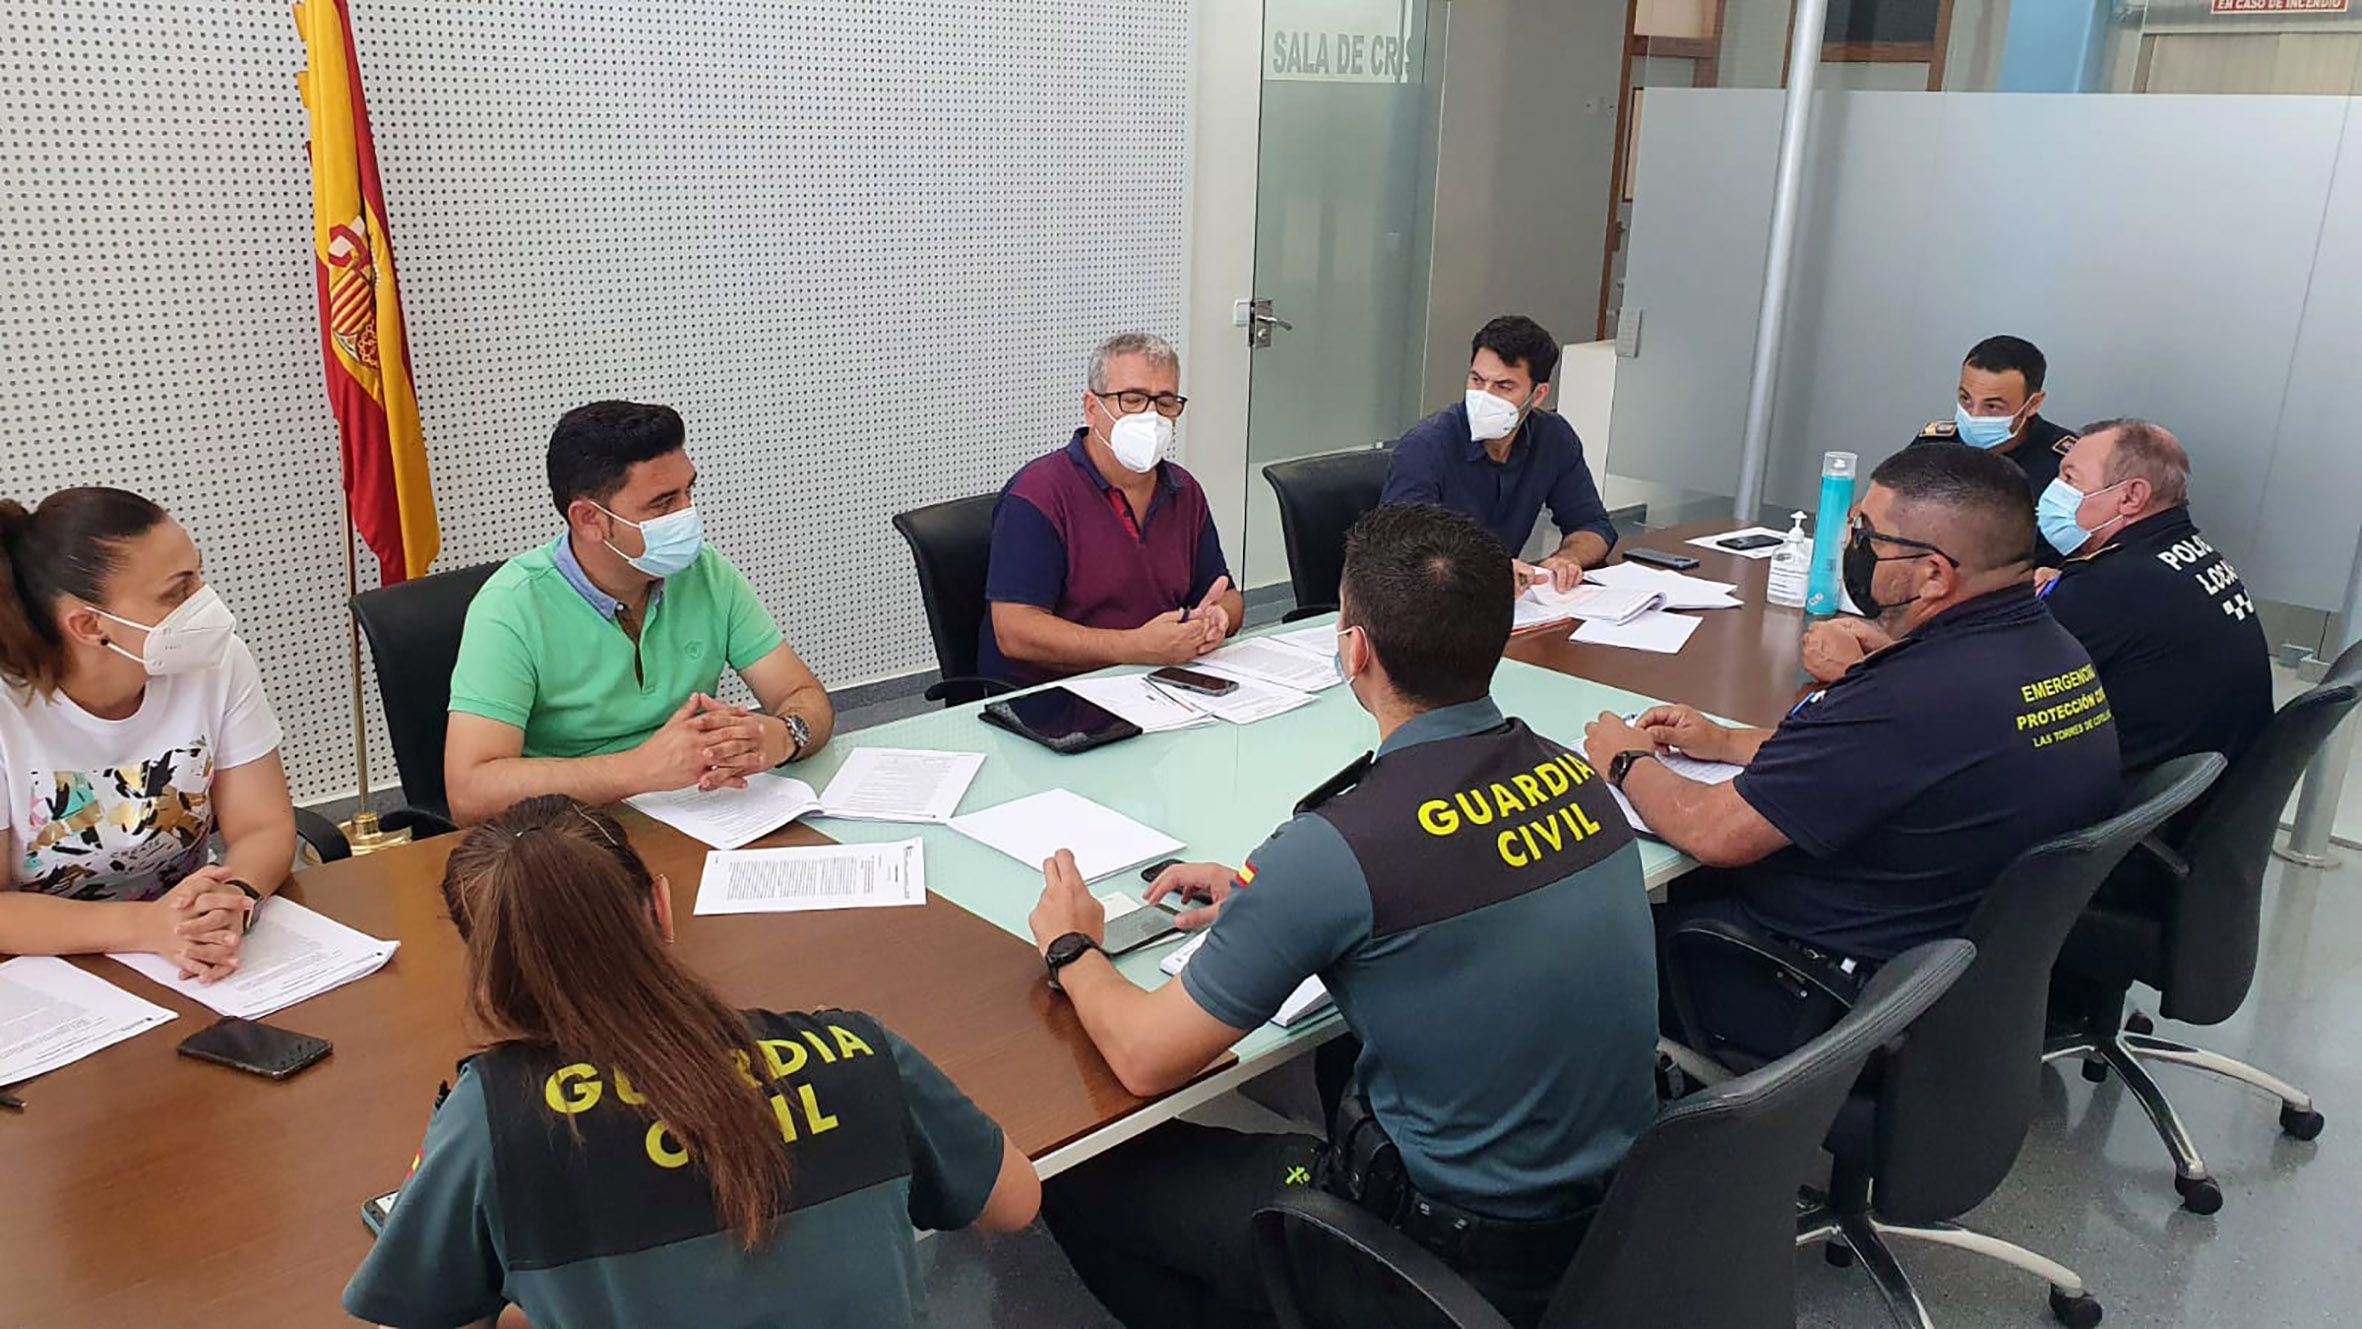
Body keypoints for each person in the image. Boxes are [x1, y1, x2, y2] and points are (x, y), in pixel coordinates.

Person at [1026, 504, 1658, 1329]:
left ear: (1353, 648)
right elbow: (1445, 873)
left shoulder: (1336, 848)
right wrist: (1267, 897)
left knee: (1082, 1171)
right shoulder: (1577, 778)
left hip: (1438, 1258)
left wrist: (1072, 945)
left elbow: (1146, 1057)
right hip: (1617, 1221)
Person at [342, 795, 1039, 1329]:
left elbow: (407, 1312)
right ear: (662, 908)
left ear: (488, 970)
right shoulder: (853, 1047)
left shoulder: (494, 1123)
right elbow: (1014, 1199)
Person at [1583, 444, 2119, 1062]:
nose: (1848, 546)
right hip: (1943, 974)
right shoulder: (2052, 649)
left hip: (1816, 985)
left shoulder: (1912, 698)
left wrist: (1626, 761)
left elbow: (1713, 833)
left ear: (1935, 575)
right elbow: (1878, 761)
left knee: (1569, 944)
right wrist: (1727, 742)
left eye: (1868, 534)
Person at [443, 402, 833, 824]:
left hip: (706, 814)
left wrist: (782, 736)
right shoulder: (511, 606)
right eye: (663, 503)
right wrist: (641, 769)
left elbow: (805, 697)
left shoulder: (706, 572)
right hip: (572, 836)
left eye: (690, 491)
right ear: (590, 519)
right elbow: (470, 792)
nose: (688, 514)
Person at [0, 488, 292, 981]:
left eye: (199, 576)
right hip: (49, 976)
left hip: (192, 958)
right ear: (90, 624)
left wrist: (234, 896)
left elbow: (264, 826)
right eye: (177, 592)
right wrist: (147, 927)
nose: (206, 604)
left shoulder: (218, 662)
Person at [979, 332, 1242, 686]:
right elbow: (1015, 631)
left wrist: (1217, 620)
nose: (1151, 416)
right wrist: (1134, 647)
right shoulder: (1038, 494)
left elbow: (1225, 595)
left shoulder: (1184, 490)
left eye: (1165, 402)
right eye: (1132, 399)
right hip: (1058, 697)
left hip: (1159, 682)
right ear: (1092, 408)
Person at [2038, 419, 2271, 777]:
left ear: (2131, 496)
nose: (2054, 490)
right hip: (2205, 788)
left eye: (2070, 479)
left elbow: (2005, 680)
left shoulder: (2112, 585)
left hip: (2137, 806)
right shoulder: (2182, 551)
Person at [1380, 315, 1614, 591]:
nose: (1485, 396)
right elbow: (1401, 552)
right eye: (1477, 380)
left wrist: (1566, 559)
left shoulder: (1554, 437)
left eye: (1503, 386)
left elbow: (1593, 525)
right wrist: (1485, 570)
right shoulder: (1425, 446)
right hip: (1430, 602)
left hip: (1503, 602)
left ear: (1538, 395)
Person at [1908, 334, 2078, 498]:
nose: (1973, 415)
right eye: (1965, 398)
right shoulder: (1932, 446)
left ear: (2032, 404)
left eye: (1992, 406)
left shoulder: (2068, 463)